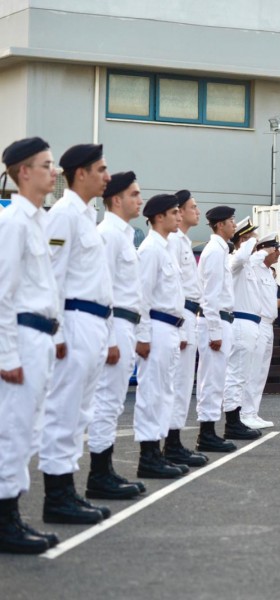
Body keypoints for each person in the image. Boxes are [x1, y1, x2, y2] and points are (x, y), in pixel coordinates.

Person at [41, 143, 113, 525]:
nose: (108, 177)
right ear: (80, 173)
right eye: (101, 169)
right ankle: (56, 495)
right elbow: (51, 277)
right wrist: (56, 334)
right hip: (73, 320)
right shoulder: (65, 215)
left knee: (80, 412)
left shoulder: (86, 215)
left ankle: (67, 490)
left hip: (95, 323)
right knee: (63, 411)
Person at [0, 137, 61, 554]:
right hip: (21, 336)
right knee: (13, 431)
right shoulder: (14, 222)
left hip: (39, 335)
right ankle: (5, 523)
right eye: (46, 165)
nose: (53, 171)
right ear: (24, 172)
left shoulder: (37, 220)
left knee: (30, 430)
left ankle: (12, 516)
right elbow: (3, 292)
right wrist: (7, 355)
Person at [86, 171, 146, 500]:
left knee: (112, 403)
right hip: (115, 324)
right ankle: (98, 474)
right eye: (134, 194)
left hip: (127, 325)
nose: (140, 200)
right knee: (106, 402)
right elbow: (103, 289)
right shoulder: (107, 234)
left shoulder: (123, 235)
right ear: (116, 199)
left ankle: (105, 469)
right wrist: (109, 338)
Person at [134, 194, 188, 479]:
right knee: (151, 393)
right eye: (174, 212)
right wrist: (142, 335)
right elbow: (141, 296)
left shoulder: (165, 248)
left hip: (169, 328)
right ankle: (148, 456)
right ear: (158, 217)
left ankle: (156, 452)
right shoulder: (151, 249)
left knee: (165, 392)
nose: (178, 217)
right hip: (154, 327)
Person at [164, 190, 208, 468]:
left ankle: (174, 442)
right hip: (180, 316)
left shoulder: (183, 240)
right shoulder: (172, 241)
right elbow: (171, 286)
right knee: (176, 385)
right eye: (192, 207)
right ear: (178, 211)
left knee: (181, 386)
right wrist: (179, 326)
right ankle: (170, 444)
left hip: (190, 315)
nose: (197, 211)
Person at [196, 206, 239, 453]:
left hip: (223, 320)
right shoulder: (214, 251)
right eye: (231, 221)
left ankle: (210, 431)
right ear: (220, 225)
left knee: (217, 378)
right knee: (211, 379)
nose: (234, 225)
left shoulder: (221, 250)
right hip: (215, 321)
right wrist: (214, 330)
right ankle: (206, 433)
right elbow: (209, 295)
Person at [222, 217, 263, 439]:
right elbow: (241, 255)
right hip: (239, 322)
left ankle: (237, 419)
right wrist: (248, 240)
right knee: (235, 374)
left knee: (243, 375)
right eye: (248, 238)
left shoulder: (247, 264)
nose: (254, 242)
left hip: (250, 324)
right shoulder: (234, 260)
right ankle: (231, 421)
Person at [242, 233, 280, 430]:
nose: (279, 253)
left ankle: (253, 412)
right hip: (258, 323)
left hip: (269, 325)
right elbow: (249, 258)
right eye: (276, 249)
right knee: (252, 370)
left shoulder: (268, 272)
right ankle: (245, 413)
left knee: (261, 372)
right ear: (266, 250)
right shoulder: (254, 265)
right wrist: (260, 250)